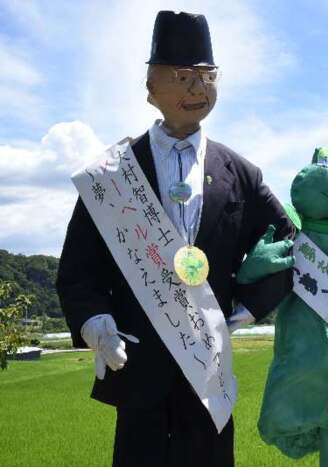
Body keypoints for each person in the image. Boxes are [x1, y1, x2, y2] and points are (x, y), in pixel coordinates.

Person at [56, 11, 293, 466]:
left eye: (207, 76)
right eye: (183, 76)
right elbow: (78, 270)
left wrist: (240, 307)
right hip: (138, 371)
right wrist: (94, 321)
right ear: (151, 88)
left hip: (209, 373)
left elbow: (285, 242)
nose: (197, 89)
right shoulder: (112, 176)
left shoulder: (241, 173)